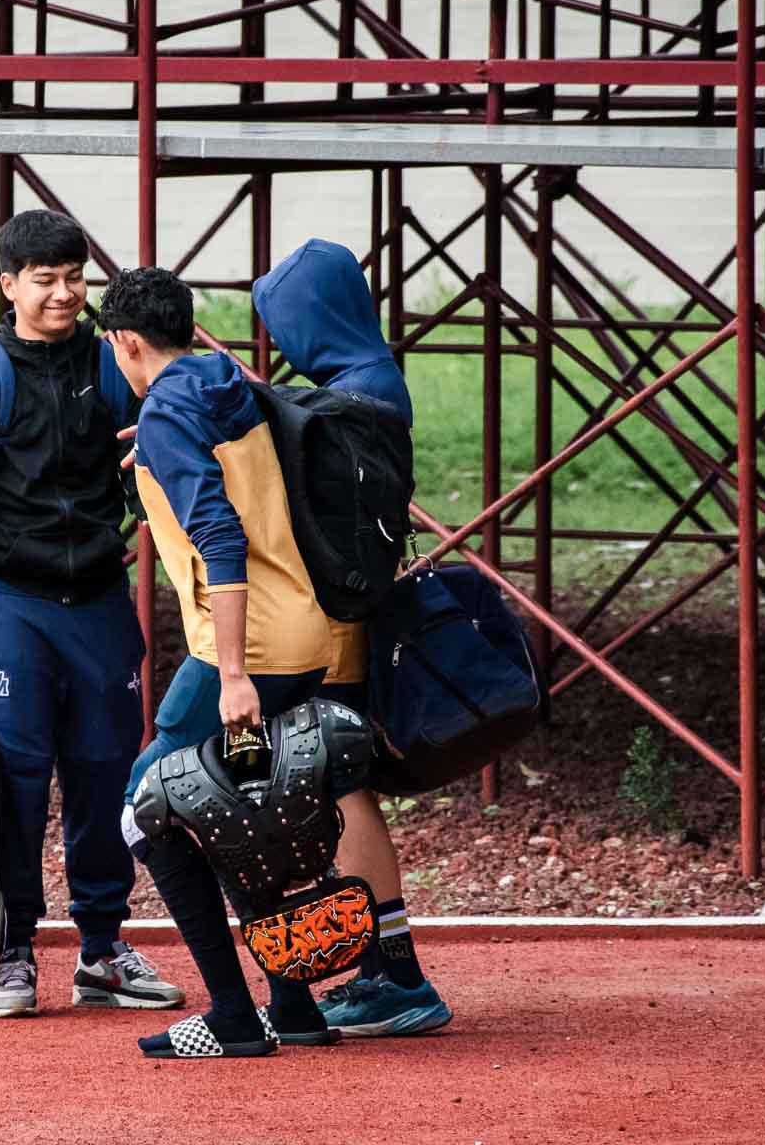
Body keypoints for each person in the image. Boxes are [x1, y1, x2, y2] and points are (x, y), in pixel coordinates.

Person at [97, 264, 443, 1059]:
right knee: (230, 813)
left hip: (249, 652)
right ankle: (291, 1005)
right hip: (306, 632)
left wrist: (231, 676)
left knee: (145, 812)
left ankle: (231, 1013)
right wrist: (158, 455)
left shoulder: (168, 414)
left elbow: (220, 538)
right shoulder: (222, 380)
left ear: (125, 343)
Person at [0, 209, 184, 1020]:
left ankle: (102, 950)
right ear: (9, 286)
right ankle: (13, 952)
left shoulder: (115, 364)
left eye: (75, 277)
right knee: (16, 785)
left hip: (99, 601)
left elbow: (160, 455)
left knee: (104, 773)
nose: (65, 294)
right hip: (11, 609)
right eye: (45, 281)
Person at [249, 237, 449, 1039]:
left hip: (329, 627)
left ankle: (396, 976)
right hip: (342, 619)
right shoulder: (366, 374)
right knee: (337, 788)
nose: (283, 343)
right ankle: (383, 970)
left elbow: (298, 435)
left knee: (340, 788)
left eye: (285, 325)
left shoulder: (358, 394)